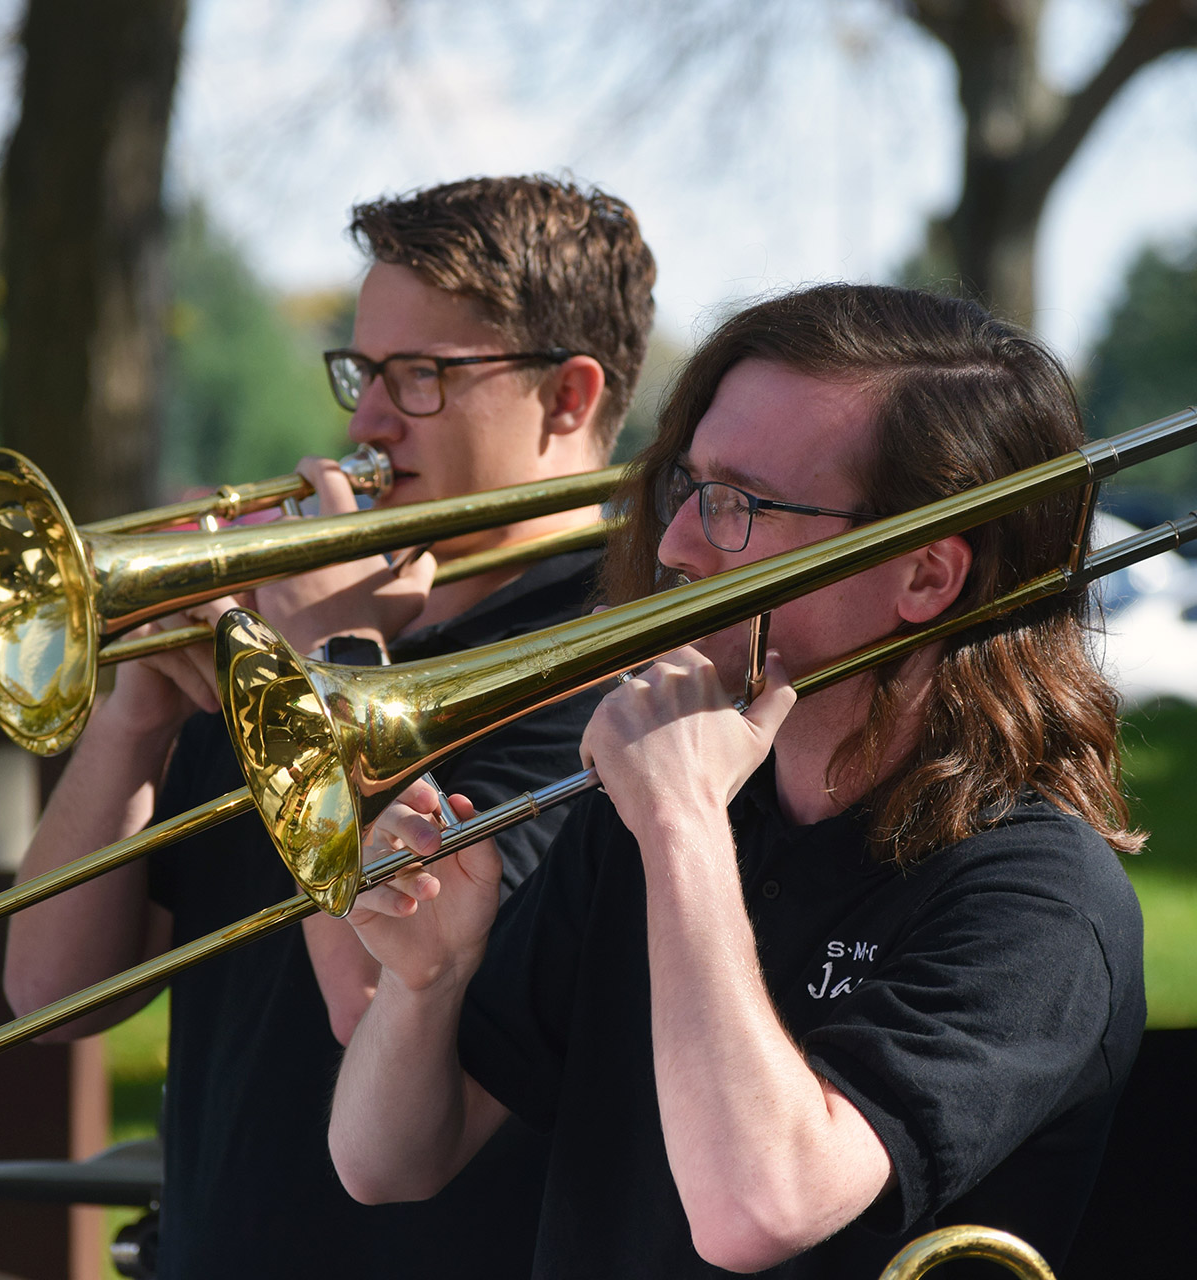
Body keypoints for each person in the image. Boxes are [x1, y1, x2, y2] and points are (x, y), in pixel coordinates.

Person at [326, 283, 1146, 1278]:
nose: (673, 545)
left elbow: (754, 1211)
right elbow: (386, 1161)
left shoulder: (1038, 899)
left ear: (924, 577)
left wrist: (680, 826)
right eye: (687, 486)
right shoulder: (660, 816)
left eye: (738, 505)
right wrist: (426, 979)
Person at [3, 175, 656, 1278]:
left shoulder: (611, 671)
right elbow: (51, 996)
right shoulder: (305, 631)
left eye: (421, 377)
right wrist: (135, 712)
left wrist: (323, 663)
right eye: (362, 370)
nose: (364, 421)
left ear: (567, 395)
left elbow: (380, 1002)